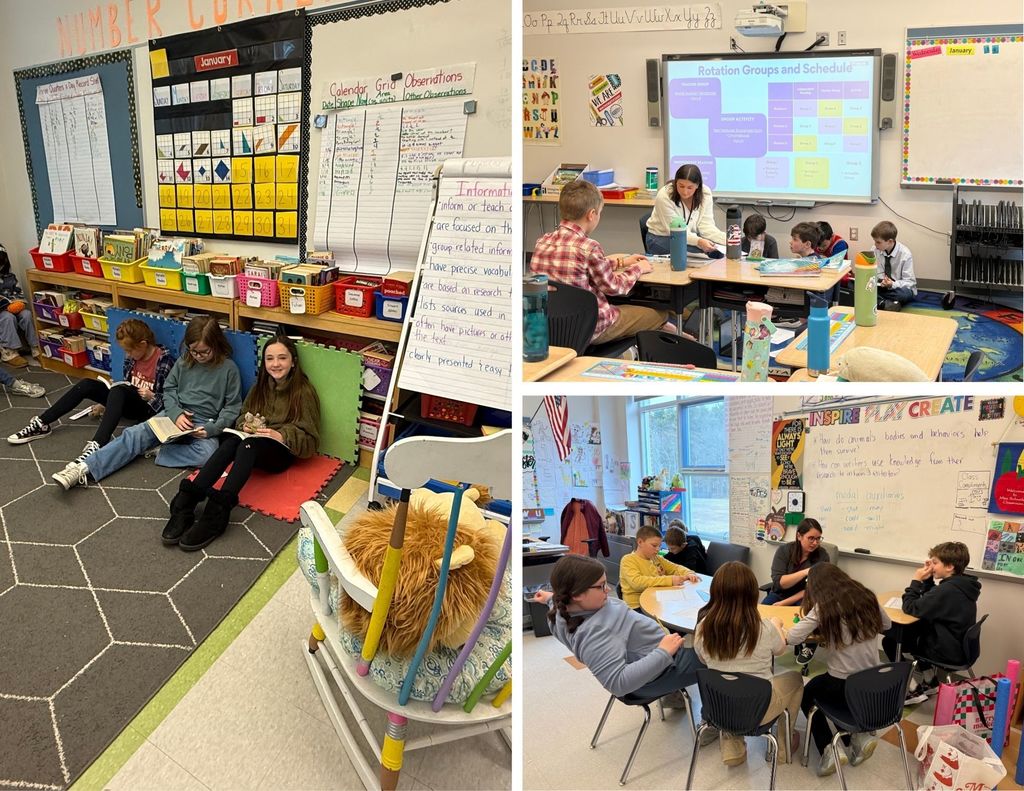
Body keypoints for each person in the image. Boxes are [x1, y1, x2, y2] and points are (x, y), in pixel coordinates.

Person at [163, 336, 320, 551]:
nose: (275, 364)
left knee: (248, 445)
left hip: (281, 453)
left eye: (282, 358)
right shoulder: (260, 387)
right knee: (231, 443)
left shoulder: (304, 391)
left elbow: (311, 440)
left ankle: (216, 514)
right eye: (270, 358)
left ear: (293, 361)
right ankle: (186, 502)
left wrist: (281, 435)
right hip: (254, 444)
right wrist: (245, 426)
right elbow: (241, 416)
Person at [50, 315, 242, 491]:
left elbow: (232, 407)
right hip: (174, 413)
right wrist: (176, 413)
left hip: (204, 422)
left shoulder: (229, 369)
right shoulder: (185, 362)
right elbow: (169, 389)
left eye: (204, 352)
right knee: (135, 434)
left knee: (208, 454)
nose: (198, 357)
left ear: (216, 344)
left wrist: (212, 428)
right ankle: (83, 468)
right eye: (193, 352)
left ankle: (158, 451)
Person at [533, 554, 706, 712]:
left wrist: (550, 597)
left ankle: (673, 696)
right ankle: (714, 721)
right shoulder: (597, 633)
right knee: (720, 657)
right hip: (663, 670)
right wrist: (663, 652)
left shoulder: (560, 610)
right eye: (601, 586)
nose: (608, 589)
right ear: (577, 594)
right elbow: (618, 683)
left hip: (656, 657)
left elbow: (557, 602)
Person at [530, 179, 675, 345]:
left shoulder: (542, 241)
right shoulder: (589, 247)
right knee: (660, 314)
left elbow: (582, 266)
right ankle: (678, 341)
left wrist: (621, 262)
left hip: (551, 325)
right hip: (591, 327)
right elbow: (614, 287)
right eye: (599, 212)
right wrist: (637, 269)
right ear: (591, 215)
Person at [7, 319, 174, 463]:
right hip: (128, 399)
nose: (128, 355)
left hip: (148, 409)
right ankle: (42, 423)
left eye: (130, 351)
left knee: (119, 390)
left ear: (143, 344)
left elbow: (171, 400)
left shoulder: (164, 361)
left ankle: (98, 443)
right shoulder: (133, 357)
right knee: (87, 384)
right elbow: (128, 384)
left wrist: (152, 396)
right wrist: (108, 403)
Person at [784, 564, 890, 777]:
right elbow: (886, 625)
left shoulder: (824, 606)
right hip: (873, 682)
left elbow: (792, 637)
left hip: (842, 683)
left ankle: (828, 749)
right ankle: (858, 736)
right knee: (832, 690)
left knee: (809, 695)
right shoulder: (867, 596)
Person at [693, 562, 803, 765]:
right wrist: (777, 625)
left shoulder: (702, 627)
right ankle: (783, 746)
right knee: (796, 678)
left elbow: (702, 659)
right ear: (753, 594)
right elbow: (780, 650)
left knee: (725, 680)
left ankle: (732, 744)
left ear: (716, 591)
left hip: (719, 708)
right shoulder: (764, 628)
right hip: (758, 710)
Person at [882, 541, 980, 704]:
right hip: (958, 647)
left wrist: (916, 580)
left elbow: (911, 607)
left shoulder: (947, 590)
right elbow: (932, 599)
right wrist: (928, 581)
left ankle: (910, 690)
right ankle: (930, 681)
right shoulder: (962, 585)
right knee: (915, 633)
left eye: (935, 563)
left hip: (947, 651)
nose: (931, 566)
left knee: (891, 640)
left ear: (949, 566)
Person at [645, 164, 727, 256]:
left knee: (719, 249)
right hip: (660, 238)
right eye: (681, 186)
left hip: (689, 237)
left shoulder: (705, 193)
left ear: (697, 186)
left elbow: (706, 226)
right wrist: (699, 241)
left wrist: (726, 240)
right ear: (676, 183)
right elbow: (676, 231)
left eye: (690, 187)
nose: (685, 191)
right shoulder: (664, 196)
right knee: (704, 252)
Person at [620, 525, 700, 611]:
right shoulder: (628, 560)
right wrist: (670, 580)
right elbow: (637, 583)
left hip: (656, 600)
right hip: (637, 607)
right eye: (654, 545)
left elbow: (675, 567)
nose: (658, 549)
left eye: (659, 546)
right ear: (640, 542)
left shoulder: (656, 558)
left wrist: (689, 573)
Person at [763, 518, 829, 606]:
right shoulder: (784, 551)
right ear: (799, 536)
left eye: (818, 539)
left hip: (804, 597)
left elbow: (813, 589)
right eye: (811, 538)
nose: (815, 543)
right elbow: (779, 583)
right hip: (779, 594)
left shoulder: (822, 556)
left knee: (797, 617)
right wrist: (805, 572)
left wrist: (783, 603)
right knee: (761, 614)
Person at [0, 245, 37, 368]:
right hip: (2, 312)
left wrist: (18, 303)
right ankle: (9, 352)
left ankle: (35, 346)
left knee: (26, 315)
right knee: (7, 318)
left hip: (13, 306)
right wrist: (6, 305)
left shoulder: (10, 277)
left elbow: (19, 293)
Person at [871, 220, 916, 311]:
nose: (875, 245)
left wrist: (892, 284)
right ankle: (886, 303)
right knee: (855, 285)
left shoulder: (905, 254)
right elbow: (873, 272)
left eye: (878, 242)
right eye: (875, 241)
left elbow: (910, 282)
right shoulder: (875, 250)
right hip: (881, 286)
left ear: (890, 241)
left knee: (904, 294)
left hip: (897, 289)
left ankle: (879, 302)